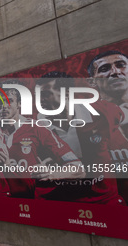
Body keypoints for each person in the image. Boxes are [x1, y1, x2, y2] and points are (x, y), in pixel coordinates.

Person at [36, 71, 125, 204]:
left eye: (45, 94)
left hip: (105, 199)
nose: (40, 101)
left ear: (66, 93)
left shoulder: (102, 112)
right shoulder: (38, 126)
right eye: (37, 96)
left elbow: (122, 117)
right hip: (67, 201)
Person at [0, 79, 83, 199]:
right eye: (0, 102)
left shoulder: (37, 128)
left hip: (33, 204)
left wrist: (52, 174)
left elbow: (78, 168)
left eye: (9, 101)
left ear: (19, 104)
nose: (3, 106)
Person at [87, 51, 128, 203]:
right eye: (105, 69)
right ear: (91, 82)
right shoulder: (86, 120)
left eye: (121, 65)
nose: (115, 72)